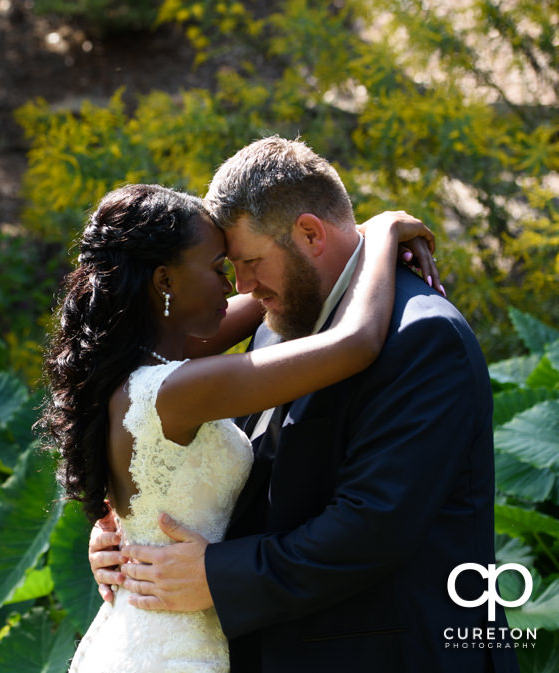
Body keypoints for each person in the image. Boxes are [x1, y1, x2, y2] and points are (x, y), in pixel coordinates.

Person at [88, 137, 519, 673]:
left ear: (311, 233)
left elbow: (371, 526)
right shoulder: (281, 321)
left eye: (248, 262)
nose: (239, 288)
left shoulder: (425, 337)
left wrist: (216, 575)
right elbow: (242, 477)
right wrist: (135, 534)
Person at [39, 178, 439, 673]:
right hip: (176, 651)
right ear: (165, 282)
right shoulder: (176, 390)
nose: (235, 283)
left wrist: (336, 240)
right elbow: (355, 344)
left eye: (239, 265)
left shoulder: (138, 366)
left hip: (155, 633)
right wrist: (380, 233)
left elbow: (279, 291)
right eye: (217, 267)